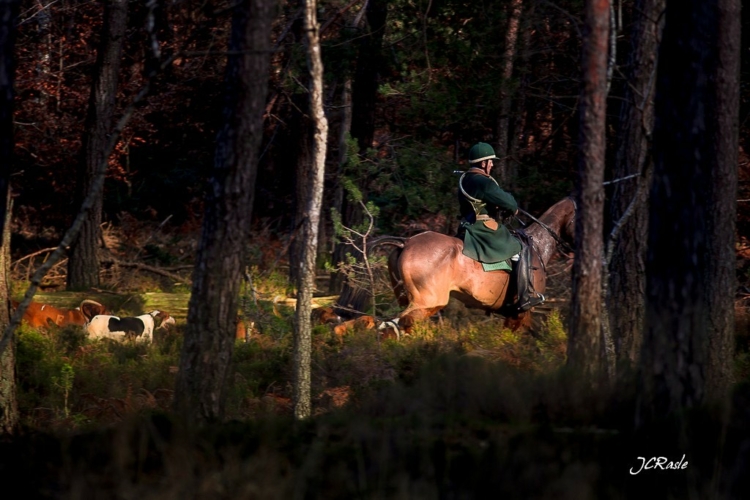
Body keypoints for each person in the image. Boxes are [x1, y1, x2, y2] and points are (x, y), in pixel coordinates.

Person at [456, 142, 521, 266]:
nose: (492, 164)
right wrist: (513, 208)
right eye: (490, 161)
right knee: (516, 247)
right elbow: (510, 203)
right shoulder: (484, 182)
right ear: (483, 163)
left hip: (465, 225)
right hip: (483, 228)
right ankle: (518, 283)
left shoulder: (465, 179)